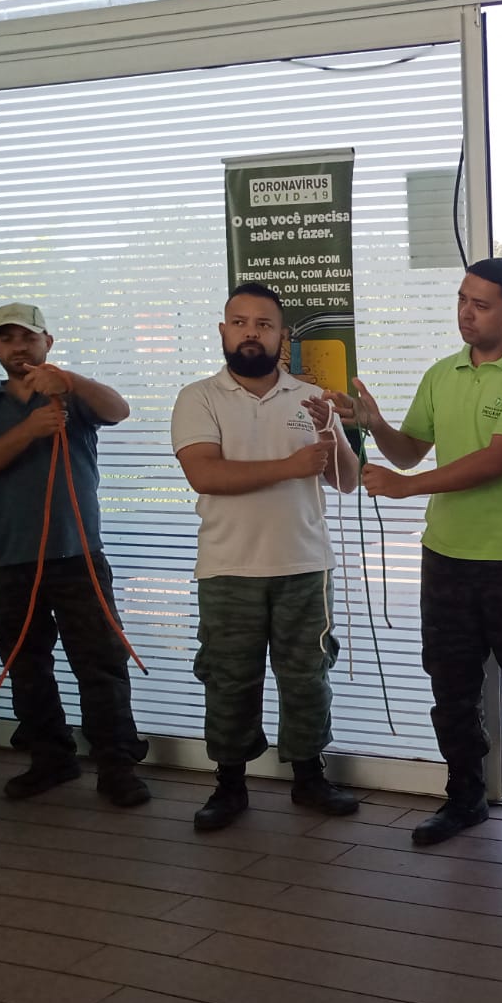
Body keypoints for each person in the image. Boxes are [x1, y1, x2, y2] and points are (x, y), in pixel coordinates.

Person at [349, 258, 502, 856]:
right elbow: (408, 451)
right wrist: (375, 423)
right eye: (461, 300)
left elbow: (495, 460)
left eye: (481, 304)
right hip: (446, 558)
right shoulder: (441, 374)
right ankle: (465, 796)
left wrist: (408, 488)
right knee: (451, 685)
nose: (466, 313)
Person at [172, 281, 362, 831]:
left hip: (305, 565)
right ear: (223, 330)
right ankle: (230, 785)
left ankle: (309, 777)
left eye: (264, 324)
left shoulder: (310, 397)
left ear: (282, 337)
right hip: (228, 567)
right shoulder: (198, 397)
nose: (250, 333)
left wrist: (332, 431)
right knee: (229, 678)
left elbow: (346, 480)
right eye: (240, 323)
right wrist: (290, 467)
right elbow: (204, 473)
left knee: (308, 677)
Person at [0, 303, 150, 805]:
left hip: (76, 555)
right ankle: (51, 759)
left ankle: (116, 766)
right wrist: (30, 429)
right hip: (8, 560)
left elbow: (119, 410)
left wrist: (69, 380)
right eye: (7, 338)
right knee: (26, 666)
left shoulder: (72, 396)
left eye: (28, 337)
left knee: (100, 664)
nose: (18, 346)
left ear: (48, 342)